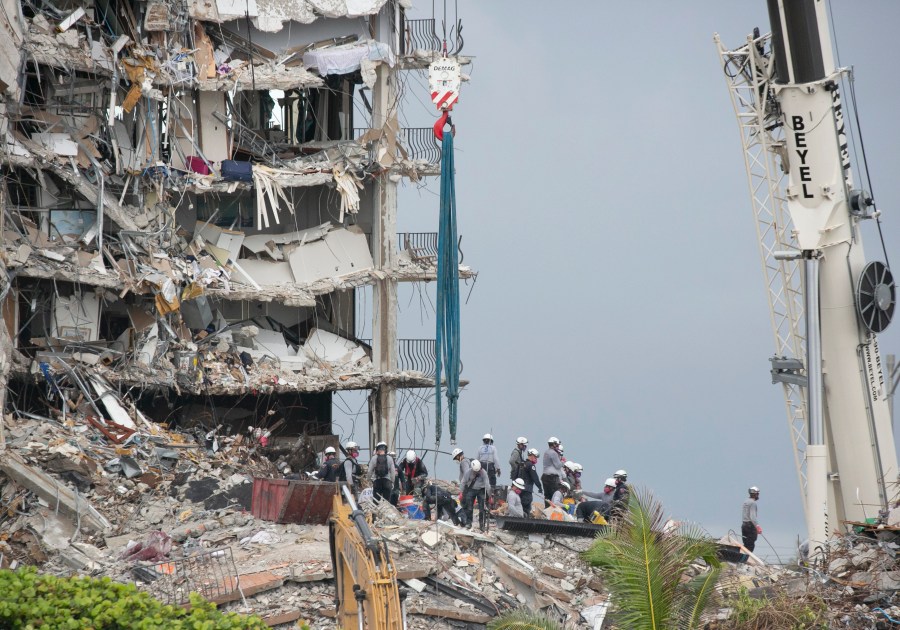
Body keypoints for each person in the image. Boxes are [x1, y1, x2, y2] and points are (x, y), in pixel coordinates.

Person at [461, 460, 490, 531]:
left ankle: (482, 525)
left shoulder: (484, 473)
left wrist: (489, 495)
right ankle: (469, 523)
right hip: (471, 489)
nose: (477, 472)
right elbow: (463, 482)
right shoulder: (468, 472)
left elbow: (487, 484)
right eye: (475, 471)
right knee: (469, 507)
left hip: (481, 490)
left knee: (482, 509)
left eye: (478, 471)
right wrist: (461, 492)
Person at [541, 437, 563, 508]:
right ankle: (553, 510)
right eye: (557, 445)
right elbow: (558, 465)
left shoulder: (546, 452)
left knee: (547, 496)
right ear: (554, 444)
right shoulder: (553, 453)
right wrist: (562, 461)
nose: (558, 446)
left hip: (545, 476)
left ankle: (547, 509)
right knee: (554, 495)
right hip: (552, 478)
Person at [521, 448, 542, 517]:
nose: (536, 459)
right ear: (531, 455)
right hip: (527, 489)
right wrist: (540, 487)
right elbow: (535, 477)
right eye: (535, 457)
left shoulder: (523, 464)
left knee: (521, 505)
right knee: (526, 508)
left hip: (520, 488)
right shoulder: (531, 465)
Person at [741, 486, 762, 552]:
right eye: (758, 494)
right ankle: (747, 559)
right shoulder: (753, 503)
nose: (758, 495)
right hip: (750, 526)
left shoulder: (746, 502)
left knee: (746, 544)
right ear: (755, 494)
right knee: (750, 545)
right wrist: (757, 526)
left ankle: (743, 559)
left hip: (744, 525)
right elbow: (753, 517)